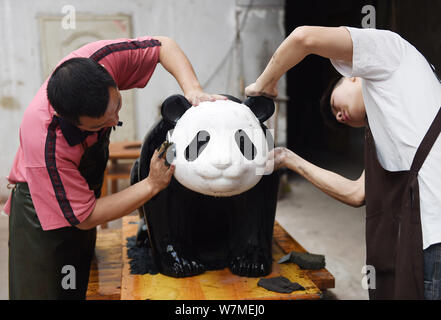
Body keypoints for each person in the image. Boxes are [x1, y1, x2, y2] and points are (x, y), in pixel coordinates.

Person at [5, 35, 226, 299]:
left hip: (81, 192)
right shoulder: (46, 142)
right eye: (99, 125)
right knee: (47, 290)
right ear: (73, 122)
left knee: (77, 280)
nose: (115, 119)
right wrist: (151, 184)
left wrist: (193, 90)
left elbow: (163, 46)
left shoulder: (100, 60)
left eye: (117, 106)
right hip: (41, 214)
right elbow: (85, 217)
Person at [246, 26, 441, 300]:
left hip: (434, 238)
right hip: (423, 240)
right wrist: (289, 159)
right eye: (337, 115)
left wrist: (263, 84)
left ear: (350, 76)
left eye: (335, 106)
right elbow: (356, 193)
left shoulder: (390, 51)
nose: (338, 116)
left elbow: (303, 38)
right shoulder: (395, 117)